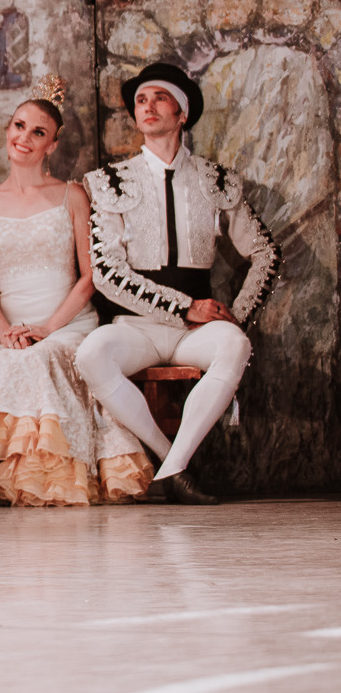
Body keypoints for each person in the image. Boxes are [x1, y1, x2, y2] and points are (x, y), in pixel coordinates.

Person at [0, 78, 151, 507]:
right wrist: (3, 331)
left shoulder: (72, 195)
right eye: (19, 126)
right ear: (8, 130)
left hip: (66, 323)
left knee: (36, 357)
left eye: (38, 132)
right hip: (10, 326)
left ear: (52, 145)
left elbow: (89, 277)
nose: (25, 138)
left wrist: (49, 328)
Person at [77, 62, 279, 505]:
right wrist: (183, 307)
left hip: (196, 331)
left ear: (182, 113)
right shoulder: (110, 182)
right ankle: (173, 461)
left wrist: (236, 315)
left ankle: (171, 469)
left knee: (236, 345)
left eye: (159, 97)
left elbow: (266, 253)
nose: (147, 106)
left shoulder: (217, 181)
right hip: (137, 326)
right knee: (91, 354)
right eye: (140, 100)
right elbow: (107, 272)